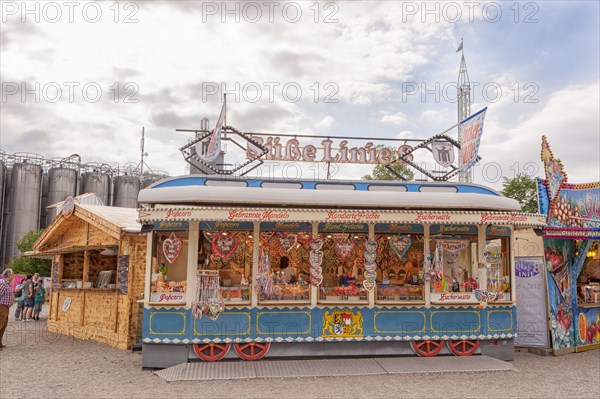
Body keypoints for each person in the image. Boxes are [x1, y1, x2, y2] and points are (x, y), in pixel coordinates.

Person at [0, 268, 16, 349]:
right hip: (1, 307)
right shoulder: (3, 283)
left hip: (5, 307)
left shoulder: (7, 283)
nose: (13, 276)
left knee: (3, 325)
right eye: (12, 274)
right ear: (9, 275)